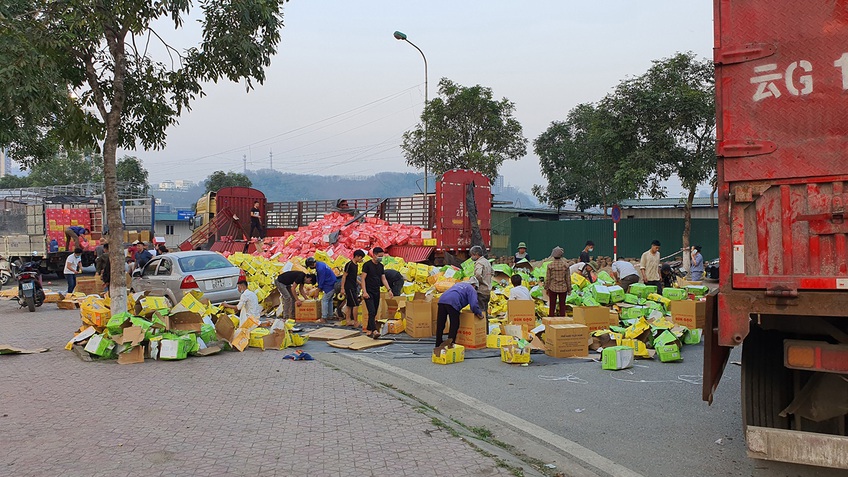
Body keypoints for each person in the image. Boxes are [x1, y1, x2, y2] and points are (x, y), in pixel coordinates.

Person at [435, 278, 484, 353]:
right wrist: (479, 313)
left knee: (440, 323)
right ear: (474, 285)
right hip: (453, 302)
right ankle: (450, 344)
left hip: (442, 300)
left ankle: (438, 343)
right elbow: (473, 304)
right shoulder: (471, 289)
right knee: (454, 324)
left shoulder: (459, 284)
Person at [360, 247, 393, 339]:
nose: (380, 258)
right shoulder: (367, 265)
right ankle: (374, 331)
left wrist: (389, 289)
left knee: (374, 311)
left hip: (376, 291)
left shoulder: (380, 266)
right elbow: (363, 278)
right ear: (374, 255)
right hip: (368, 291)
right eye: (379, 256)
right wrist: (364, 292)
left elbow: (383, 278)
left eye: (382, 257)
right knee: (371, 311)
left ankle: (369, 328)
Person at [306, 257, 338, 321]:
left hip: (329, 285)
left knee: (324, 300)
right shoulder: (320, 264)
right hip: (332, 283)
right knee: (329, 300)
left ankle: (324, 317)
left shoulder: (320, 269)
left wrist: (318, 290)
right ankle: (330, 315)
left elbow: (321, 280)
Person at [544, 247, 571, 316]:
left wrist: (546, 288)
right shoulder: (566, 265)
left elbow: (548, 279)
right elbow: (568, 279)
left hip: (552, 288)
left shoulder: (550, 265)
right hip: (563, 288)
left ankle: (551, 320)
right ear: (561, 255)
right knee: (562, 306)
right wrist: (569, 289)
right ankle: (562, 320)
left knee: (552, 306)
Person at [341, 250, 365, 326]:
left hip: (353, 286)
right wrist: (342, 288)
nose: (361, 260)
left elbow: (353, 277)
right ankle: (355, 321)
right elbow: (344, 276)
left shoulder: (356, 265)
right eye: (361, 258)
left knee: (349, 304)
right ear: (357, 256)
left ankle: (348, 320)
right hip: (349, 287)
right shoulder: (349, 264)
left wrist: (359, 283)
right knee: (356, 304)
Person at [470, 245, 493, 318]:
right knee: (485, 311)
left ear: (476, 255)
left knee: (481, 312)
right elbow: (493, 272)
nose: (471, 257)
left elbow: (478, 274)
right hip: (488, 291)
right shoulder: (487, 262)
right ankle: (486, 328)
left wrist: (480, 281)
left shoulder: (479, 263)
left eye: (472, 255)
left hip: (481, 290)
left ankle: (482, 328)